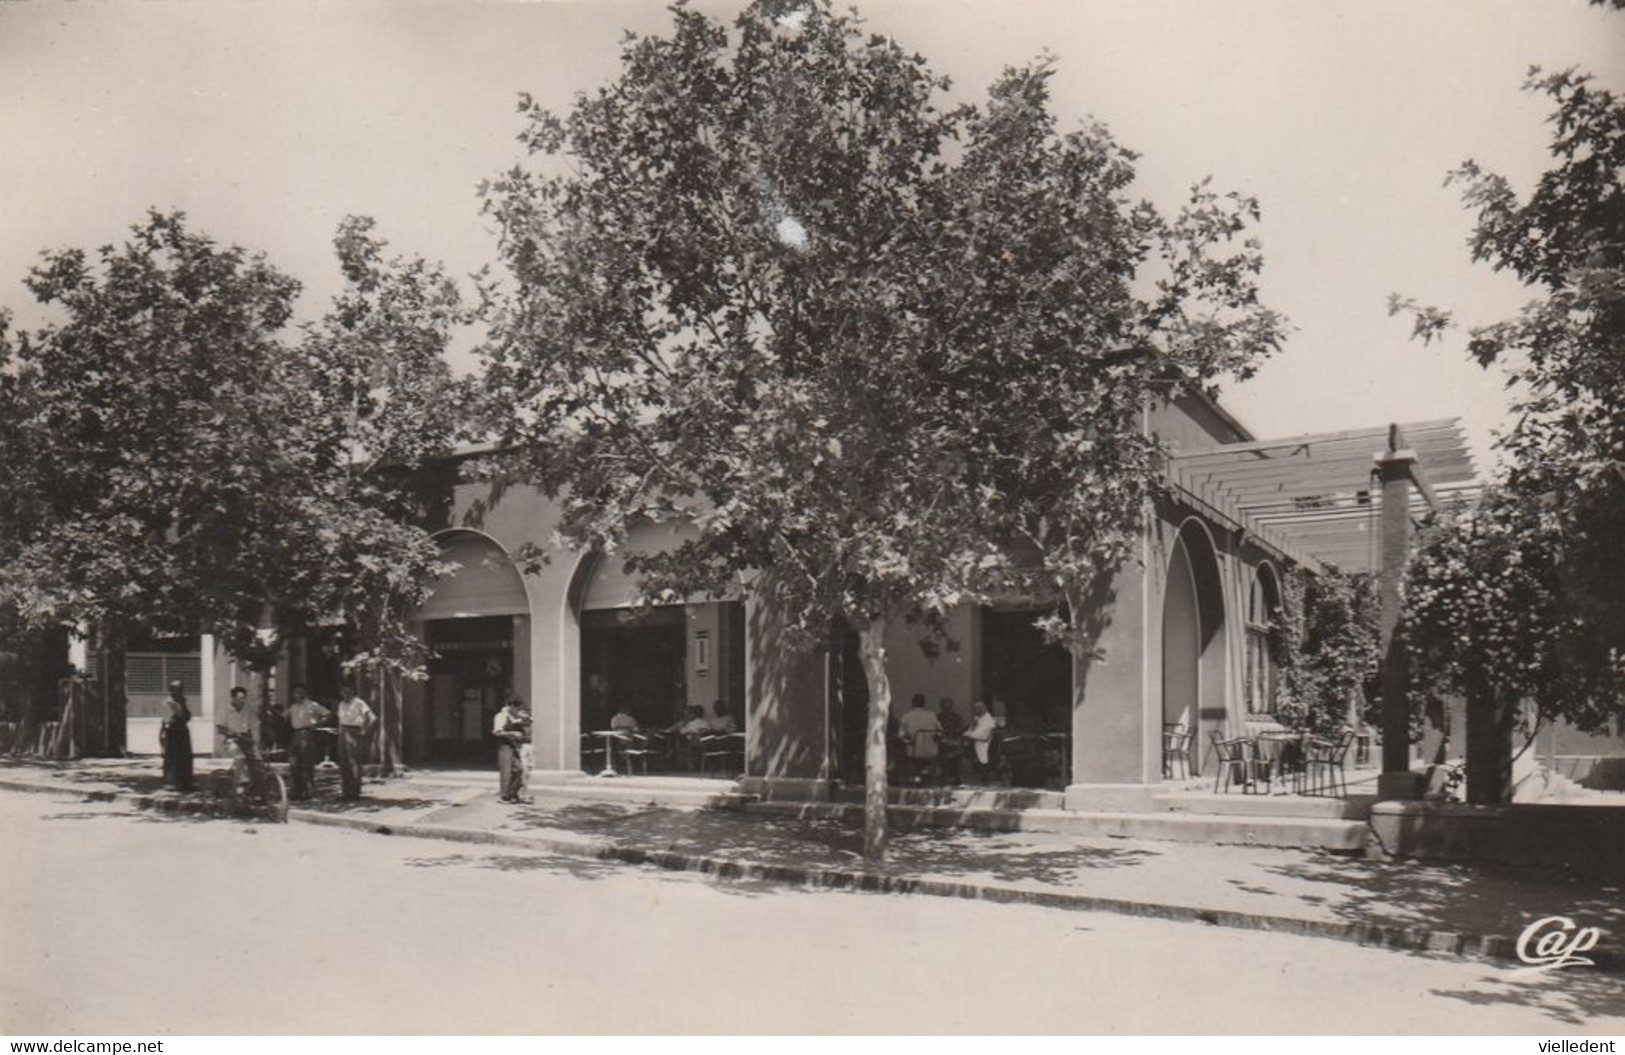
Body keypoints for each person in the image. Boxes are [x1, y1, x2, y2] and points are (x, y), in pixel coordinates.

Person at [285, 684, 331, 801]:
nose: (297, 695)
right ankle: (296, 791)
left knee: (307, 762)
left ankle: (308, 791)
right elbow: (283, 716)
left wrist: (316, 725)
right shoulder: (293, 707)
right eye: (295, 693)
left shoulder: (312, 705)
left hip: (307, 733)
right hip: (295, 733)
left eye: (300, 692)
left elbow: (328, 715)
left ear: (305, 693)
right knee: (294, 763)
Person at [335, 689, 376, 801]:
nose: (345, 693)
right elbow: (340, 720)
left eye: (348, 691)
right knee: (344, 762)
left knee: (353, 761)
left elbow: (371, 717)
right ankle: (345, 792)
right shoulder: (342, 704)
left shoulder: (359, 702)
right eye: (343, 691)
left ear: (352, 691)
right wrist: (339, 731)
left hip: (354, 731)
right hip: (343, 732)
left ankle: (354, 793)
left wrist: (363, 730)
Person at [216, 686, 256, 795]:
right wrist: (234, 734)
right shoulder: (225, 709)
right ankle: (240, 784)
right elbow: (220, 728)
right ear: (233, 698)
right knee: (240, 757)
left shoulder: (246, 710)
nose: (243, 701)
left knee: (256, 760)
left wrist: (251, 740)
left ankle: (255, 790)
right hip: (231, 740)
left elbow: (249, 728)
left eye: (244, 698)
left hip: (244, 739)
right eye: (240, 698)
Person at [493, 696, 533, 804]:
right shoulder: (501, 716)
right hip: (505, 745)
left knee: (518, 769)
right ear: (511, 706)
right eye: (517, 708)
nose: (518, 711)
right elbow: (497, 732)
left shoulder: (512, 717)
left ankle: (512, 793)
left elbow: (528, 721)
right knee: (506, 770)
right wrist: (512, 733)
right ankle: (504, 796)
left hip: (514, 745)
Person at [159, 679, 194, 792]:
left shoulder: (181, 701)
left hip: (182, 730)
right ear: (172, 690)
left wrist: (182, 704)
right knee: (172, 756)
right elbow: (171, 718)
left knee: (185, 756)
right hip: (172, 731)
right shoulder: (168, 702)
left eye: (182, 689)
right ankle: (171, 782)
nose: (181, 691)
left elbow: (187, 716)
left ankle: (185, 782)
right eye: (178, 689)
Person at [898, 693, 941, 784]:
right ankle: (930, 778)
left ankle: (912, 777)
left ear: (912, 703)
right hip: (930, 750)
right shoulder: (931, 716)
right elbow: (940, 731)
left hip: (914, 750)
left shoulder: (906, 716)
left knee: (903, 751)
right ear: (924, 703)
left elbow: (901, 735)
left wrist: (908, 740)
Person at [965, 699, 997, 782]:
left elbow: (977, 735)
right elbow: (968, 732)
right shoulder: (977, 719)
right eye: (976, 707)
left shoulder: (988, 720)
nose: (978, 709)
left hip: (983, 747)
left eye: (980, 707)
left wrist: (968, 734)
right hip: (974, 746)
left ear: (986, 708)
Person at [937, 696, 965, 784]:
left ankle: (957, 777)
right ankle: (944, 777)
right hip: (941, 744)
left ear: (952, 707)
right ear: (941, 708)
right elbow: (935, 733)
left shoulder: (958, 718)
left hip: (954, 744)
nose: (947, 710)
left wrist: (954, 742)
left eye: (948, 708)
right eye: (945, 708)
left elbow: (961, 733)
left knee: (957, 752)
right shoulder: (937, 718)